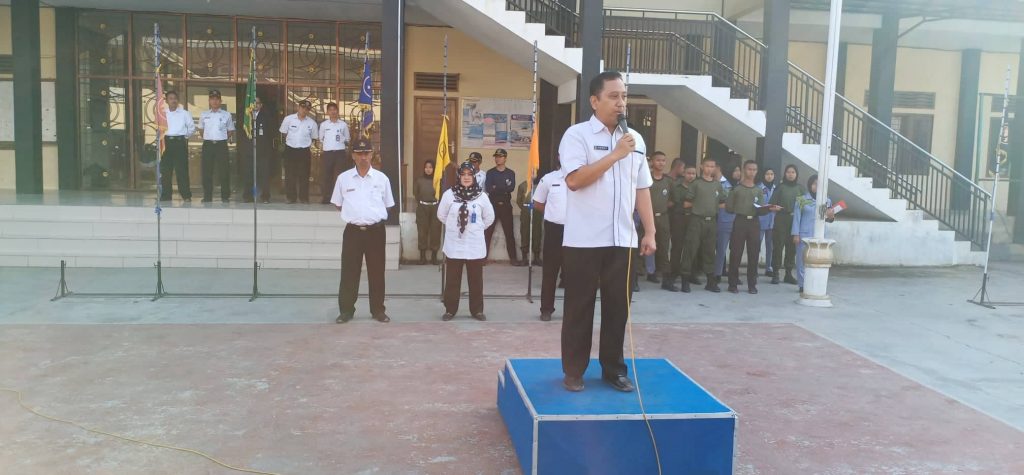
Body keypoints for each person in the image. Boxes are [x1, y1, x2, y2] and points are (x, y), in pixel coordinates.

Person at [558, 71, 656, 393]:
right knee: (579, 308)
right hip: (584, 240)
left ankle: (613, 369)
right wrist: (615, 155)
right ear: (594, 100)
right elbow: (575, 180)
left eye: (624, 96)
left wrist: (650, 232)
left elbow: (642, 188)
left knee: (617, 309)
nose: (621, 103)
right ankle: (574, 371)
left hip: (623, 239)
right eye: (613, 96)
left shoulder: (635, 139)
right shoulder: (577, 136)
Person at [331, 137, 395, 324]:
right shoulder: (343, 178)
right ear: (353, 156)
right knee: (349, 272)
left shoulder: (382, 179)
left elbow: (388, 204)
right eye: (359, 154)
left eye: (366, 153)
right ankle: (346, 311)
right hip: (353, 232)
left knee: (377, 272)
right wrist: (355, 215)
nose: (363, 157)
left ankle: (378, 310)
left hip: (376, 232)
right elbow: (338, 204)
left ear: (372, 154)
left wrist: (370, 216)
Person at [438, 161, 494, 321]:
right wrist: (454, 227)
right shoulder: (449, 194)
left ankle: (477, 311)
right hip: (455, 244)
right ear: (459, 176)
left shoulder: (482, 196)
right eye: (463, 174)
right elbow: (441, 215)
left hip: (474, 245)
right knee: (452, 279)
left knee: (476, 280)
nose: (467, 177)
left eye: (470, 174)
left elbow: (489, 218)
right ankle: (450, 310)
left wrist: (475, 229)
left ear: (474, 177)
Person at [726, 160, 782, 294]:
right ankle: (732, 284)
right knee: (736, 253)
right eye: (749, 169)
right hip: (740, 221)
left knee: (754, 254)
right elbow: (729, 208)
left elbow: (761, 210)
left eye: (754, 170)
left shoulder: (758, 190)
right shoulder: (736, 189)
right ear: (744, 170)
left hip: (754, 223)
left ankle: (752, 284)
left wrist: (769, 209)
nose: (751, 172)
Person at [679, 157, 726, 293]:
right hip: (696, 220)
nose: (710, 169)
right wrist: (700, 203)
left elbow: (722, 203)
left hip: (711, 221)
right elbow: (686, 203)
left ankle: (710, 282)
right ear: (701, 167)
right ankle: (685, 281)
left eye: (712, 166)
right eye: (707, 166)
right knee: (690, 250)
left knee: (710, 251)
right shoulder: (696, 183)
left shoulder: (717, 185)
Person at [533, 157, 567, 321]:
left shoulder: (583, 177)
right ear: (559, 158)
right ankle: (546, 309)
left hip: (577, 230)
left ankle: (572, 311)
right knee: (550, 272)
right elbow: (538, 203)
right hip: (554, 230)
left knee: (576, 274)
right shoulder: (549, 179)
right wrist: (553, 212)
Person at [792, 174, 835, 293]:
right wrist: (795, 234)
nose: (817, 186)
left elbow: (829, 219)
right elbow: (796, 218)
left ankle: (815, 283)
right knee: (802, 260)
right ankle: (802, 284)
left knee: (818, 259)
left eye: (819, 184)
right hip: (804, 234)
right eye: (814, 184)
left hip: (820, 234)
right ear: (810, 185)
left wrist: (831, 216)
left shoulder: (827, 200)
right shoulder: (801, 199)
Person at [769, 164, 806, 284]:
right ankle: (775, 273)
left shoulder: (800, 189)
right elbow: (771, 204)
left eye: (793, 172)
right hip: (781, 219)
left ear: (796, 174)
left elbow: (804, 206)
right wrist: (775, 208)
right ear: (785, 173)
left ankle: (788, 274)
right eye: (788, 172)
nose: (790, 174)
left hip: (795, 220)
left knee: (791, 248)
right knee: (778, 247)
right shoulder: (780, 187)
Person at [198, 89, 235, 203]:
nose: (214, 101)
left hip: (221, 145)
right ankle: (207, 196)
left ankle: (225, 196)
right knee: (207, 171)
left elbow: (230, 130)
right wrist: (210, 137)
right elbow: (201, 130)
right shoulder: (204, 114)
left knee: (224, 171)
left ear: (220, 101)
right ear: (209, 101)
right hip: (208, 144)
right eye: (212, 99)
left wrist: (221, 137)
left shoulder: (226, 115)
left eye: (217, 99)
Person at [279, 100, 319, 204]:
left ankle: (303, 198)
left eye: (307, 109)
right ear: (298, 107)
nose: (304, 110)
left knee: (304, 175)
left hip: (304, 151)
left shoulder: (312, 123)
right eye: (303, 108)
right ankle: (291, 197)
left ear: (309, 111)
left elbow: (314, 137)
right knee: (290, 175)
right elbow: (284, 133)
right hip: (290, 150)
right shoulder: (288, 119)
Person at [484, 148, 519, 264]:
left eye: (500, 156)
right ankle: (482, 258)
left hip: (505, 205)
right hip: (492, 205)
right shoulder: (490, 173)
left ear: (505, 158)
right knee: (487, 233)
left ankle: (513, 259)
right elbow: (489, 188)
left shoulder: (510, 173)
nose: (497, 159)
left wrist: (496, 187)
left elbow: (511, 188)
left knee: (509, 233)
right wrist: (503, 187)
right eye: (496, 157)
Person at [667, 162, 698, 291]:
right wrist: (696, 202)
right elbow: (678, 202)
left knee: (691, 248)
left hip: (693, 219)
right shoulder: (676, 186)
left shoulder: (698, 186)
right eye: (689, 173)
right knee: (677, 248)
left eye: (693, 174)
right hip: (679, 218)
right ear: (684, 173)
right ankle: (672, 275)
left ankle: (689, 275)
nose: (691, 176)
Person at [159, 90, 194, 202]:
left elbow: (191, 128)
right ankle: (166, 195)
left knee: (181, 171)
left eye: (175, 98)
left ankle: (186, 195)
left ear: (177, 100)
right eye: (170, 98)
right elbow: (158, 128)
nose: (173, 100)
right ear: (167, 101)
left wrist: (184, 136)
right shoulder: (162, 114)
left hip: (179, 142)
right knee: (166, 171)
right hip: (166, 143)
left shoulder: (184, 113)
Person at [240, 96, 275, 204]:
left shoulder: (266, 116)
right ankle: (248, 196)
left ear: (261, 105)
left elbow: (271, 132)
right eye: (253, 103)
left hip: (263, 150)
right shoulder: (247, 116)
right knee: (248, 174)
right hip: (249, 150)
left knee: (264, 175)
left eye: (258, 103)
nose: (255, 105)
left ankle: (265, 196)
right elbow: (242, 134)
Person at [648, 151, 673, 289]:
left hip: (663, 218)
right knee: (641, 248)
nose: (661, 163)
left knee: (663, 248)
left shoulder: (668, 181)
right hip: (647, 217)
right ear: (652, 162)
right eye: (658, 160)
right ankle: (634, 280)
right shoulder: (646, 178)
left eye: (663, 160)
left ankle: (666, 281)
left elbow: (673, 200)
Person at [318, 102, 351, 204]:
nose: (333, 112)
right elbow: (321, 139)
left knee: (339, 176)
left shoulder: (343, 124)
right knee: (326, 175)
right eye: (330, 110)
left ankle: (339, 198)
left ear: (337, 111)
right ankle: (326, 197)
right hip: (328, 153)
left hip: (340, 153)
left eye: (334, 109)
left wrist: (344, 141)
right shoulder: (324, 125)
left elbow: (347, 139)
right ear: (327, 112)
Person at [713, 163, 740, 287]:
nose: (738, 173)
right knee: (721, 248)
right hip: (725, 220)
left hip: (738, 220)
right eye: (735, 170)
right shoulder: (724, 184)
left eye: (739, 170)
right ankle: (717, 274)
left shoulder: (739, 185)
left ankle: (733, 275)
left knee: (736, 250)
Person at [414, 160, 442, 265]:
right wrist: (423, 202)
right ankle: (422, 257)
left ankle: (434, 257)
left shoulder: (438, 181)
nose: (428, 169)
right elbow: (416, 193)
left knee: (435, 231)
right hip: (422, 207)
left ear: (434, 169)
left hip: (435, 207)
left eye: (430, 167)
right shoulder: (419, 180)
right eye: (426, 167)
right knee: (422, 231)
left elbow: (441, 193)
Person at [516, 176, 544, 266]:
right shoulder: (522, 186)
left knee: (537, 233)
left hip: (537, 212)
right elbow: (519, 200)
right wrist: (525, 208)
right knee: (525, 233)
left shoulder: (540, 185)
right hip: (526, 213)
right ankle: (524, 258)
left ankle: (537, 257)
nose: (533, 175)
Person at [759, 168, 777, 277]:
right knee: (756, 245)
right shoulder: (759, 187)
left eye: (771, 174)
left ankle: (768, 268)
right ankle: (753, 267)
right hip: (760, 220)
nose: (769, 176)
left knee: (770, 246)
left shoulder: (776, 188)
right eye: (767, 174)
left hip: (772, 221)